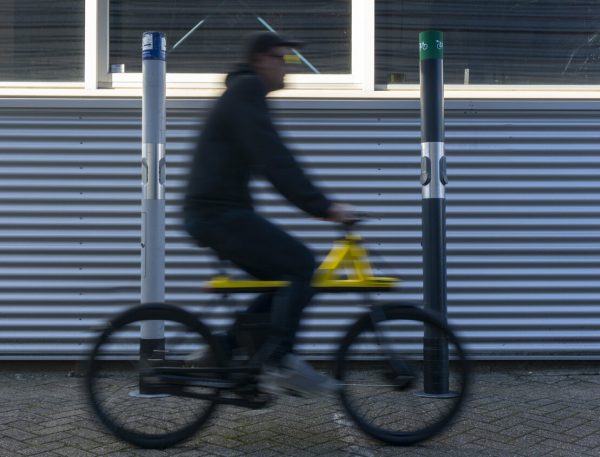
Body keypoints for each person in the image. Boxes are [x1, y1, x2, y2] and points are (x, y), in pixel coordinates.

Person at [183, 31, 354, 396]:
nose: (288, 68)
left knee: (280, 280)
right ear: (261, 59)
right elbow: (275, 160)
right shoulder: (246, 94)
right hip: (217, 215)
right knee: (300, 265)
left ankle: (223, 350)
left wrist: (315, 204)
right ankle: (279, 361)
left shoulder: (246, 95)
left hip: (218, 213)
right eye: (283, 59)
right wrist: (323, 206)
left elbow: (272, 161)